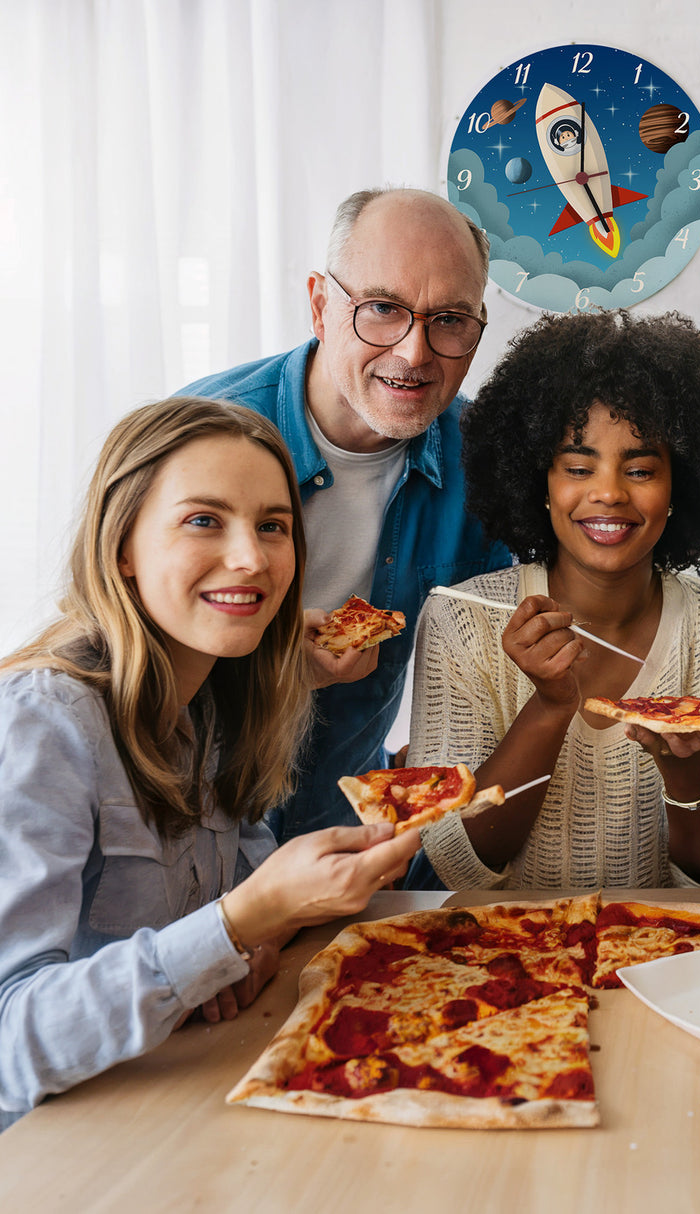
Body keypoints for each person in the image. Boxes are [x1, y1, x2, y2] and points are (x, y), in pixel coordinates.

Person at [0, 398, 420, 1137]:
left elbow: (233, 897)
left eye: (272, 526)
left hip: (172, 1102)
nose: (252, 558)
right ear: (122, 545)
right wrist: (245, 920)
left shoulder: (216, 694)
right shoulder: (42, 720)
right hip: (50, 1153)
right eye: (203, 520)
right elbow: (4, 1045)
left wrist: (245, 944)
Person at [181, 188, 510, 843]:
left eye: (449, 319)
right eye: (383, 309)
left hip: (346, 844)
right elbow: (111, 663)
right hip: (183, 840)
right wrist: (272, 663)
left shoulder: (490, 466)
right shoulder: (193, 438)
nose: (415, 353)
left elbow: (491, 673)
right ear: (319, 304)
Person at [406, 310, 700, 890]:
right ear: (539, 482)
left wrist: (684, 767)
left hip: (666, 962)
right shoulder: (462, 618)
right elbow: (459, 864)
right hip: (500, 965)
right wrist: (550, 705)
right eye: (578, 466)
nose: (608, 492)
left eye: (642, 469)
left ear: (682, 486)